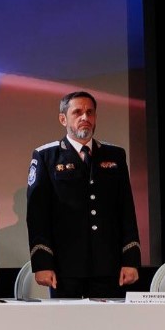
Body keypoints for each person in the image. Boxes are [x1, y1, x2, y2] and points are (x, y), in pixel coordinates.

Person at [24, 90, 140, 298]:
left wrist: (130, 259)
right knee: (67, 320)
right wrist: (42, 263)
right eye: (77, 112)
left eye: (90, 112)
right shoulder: (46, 156)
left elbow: (126, 210)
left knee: (110, 319)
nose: (85, 117)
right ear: (63, 119)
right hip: (65, 267)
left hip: (109, 265)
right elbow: (37, 215)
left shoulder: (115, 155)